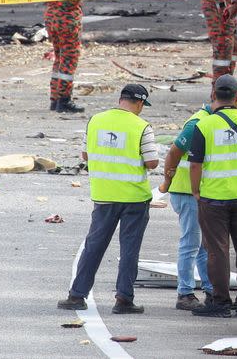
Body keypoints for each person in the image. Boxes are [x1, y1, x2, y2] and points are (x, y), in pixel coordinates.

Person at [57, 84, 158, 314]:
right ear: (140, 103)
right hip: (135, 198)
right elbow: (152, 162)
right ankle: (123, 299)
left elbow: (85, 154)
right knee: (129, 250)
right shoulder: (142, 126)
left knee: (94, 246)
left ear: (120, 99)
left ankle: (76, 295)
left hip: (104, 196)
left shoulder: (96, 121)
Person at [188, 74, 237, 318]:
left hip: (213, 198)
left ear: (213, 95)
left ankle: (220, 303)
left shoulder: (204, 125)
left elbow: (195, 164)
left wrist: (196, 190)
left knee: (217, 251)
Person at [159, 99, 215, 311]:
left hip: (196, 191)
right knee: (191, 243)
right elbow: (173, 153)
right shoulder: (197, 124)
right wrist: (167, 181)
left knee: (203, 245)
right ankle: (185, 293)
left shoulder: (209, 121)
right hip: (186, 191)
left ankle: (210, 289)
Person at [42, 0, 91, 113]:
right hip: (67, 19)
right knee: (69, 60)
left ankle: (55, 98)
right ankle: (64, 100)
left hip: (51, 16)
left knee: (58, 57)